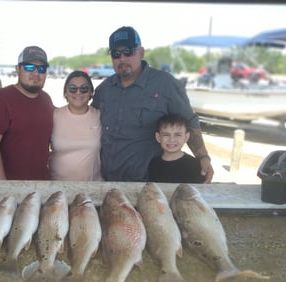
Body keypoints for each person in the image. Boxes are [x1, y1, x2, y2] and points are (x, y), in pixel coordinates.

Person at [91, 26, 214, 183]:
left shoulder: (166, 84)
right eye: (116, 53)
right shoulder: (104, 89)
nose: (122, 58)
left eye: (128, 51)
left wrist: (203, 157)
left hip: (149, 183)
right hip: (107, 181)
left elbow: (189, 122)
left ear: (141, 52)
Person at [0, 46, 54, 180]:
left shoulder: (46, 99)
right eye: (29, 67)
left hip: (42, 185)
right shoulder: (0, 100)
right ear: (17, 69)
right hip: (11, 188)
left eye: (41, 69)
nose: (36, 73)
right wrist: (4, 187)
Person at [49, 71, 102, 181]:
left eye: (84, 88)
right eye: (73, 88)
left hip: (93, 186)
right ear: (65, 93)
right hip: (57, 187)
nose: (78, 92)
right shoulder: (54, 115)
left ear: (91, 93)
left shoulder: (100, 116)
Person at [148, 113, 205, 183]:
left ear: (186, 137)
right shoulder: (152, 164)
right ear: (158, 137)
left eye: (178, 135)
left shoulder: (195, 166)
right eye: (166, 135)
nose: (172, 139)